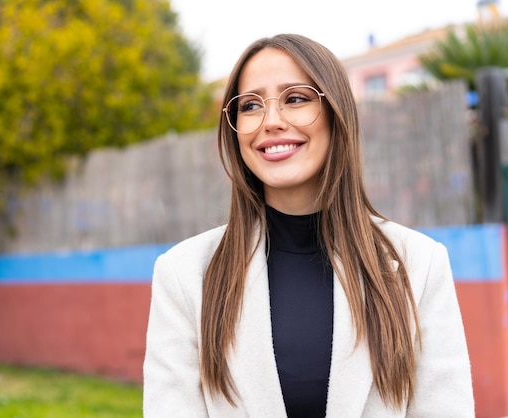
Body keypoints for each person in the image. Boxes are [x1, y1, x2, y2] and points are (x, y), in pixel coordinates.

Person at [143, 33, 474, 417]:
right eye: (250, 105)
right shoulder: (184, 275)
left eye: (295, 98)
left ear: (336, 113)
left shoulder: (420, 264)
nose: (271, 122)